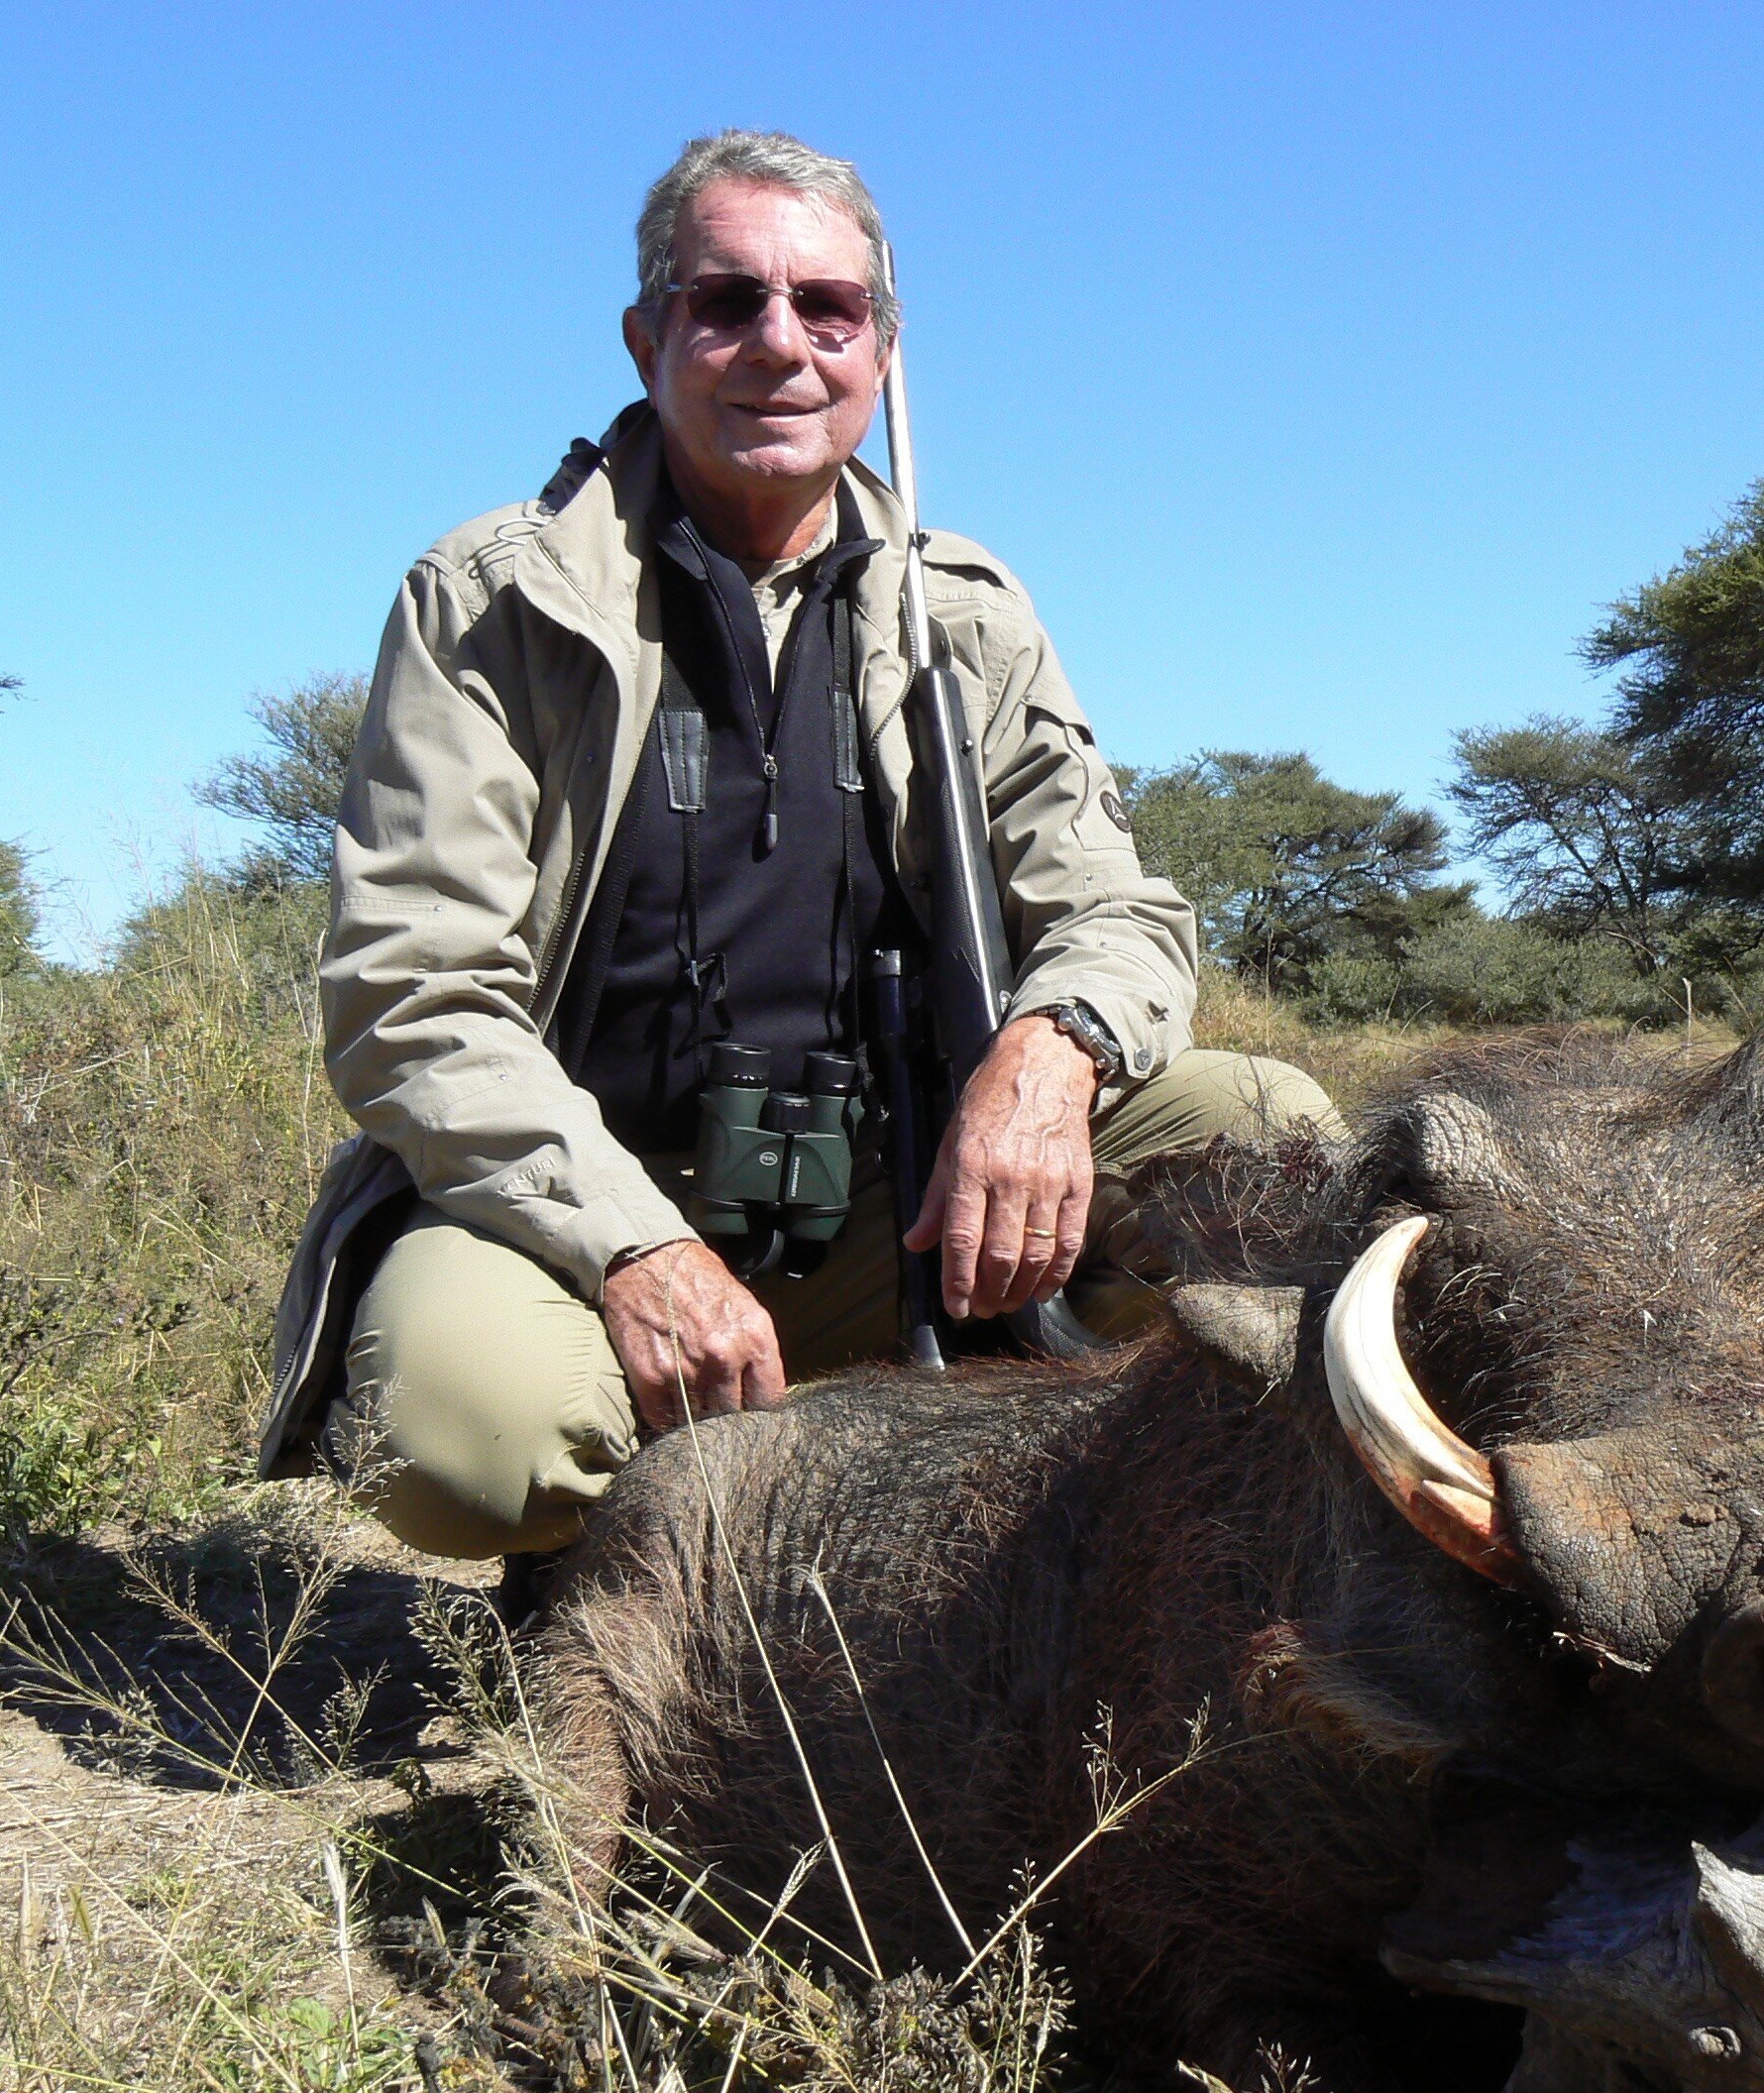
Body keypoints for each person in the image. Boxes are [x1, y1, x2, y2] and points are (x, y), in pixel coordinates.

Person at [253, 130, 1341, 1560]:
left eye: (829, 308)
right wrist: (637, 1246)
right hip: (585, 1221)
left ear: (882, 349)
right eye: (728, 302)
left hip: (911, 1203)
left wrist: (1048, 1056)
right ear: (650, 338)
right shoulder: (492, 599)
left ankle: (1116, 1545)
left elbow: (1120, 911)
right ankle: (615, 1551)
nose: (783, 344)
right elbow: (414, 994)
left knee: (1274, 1141)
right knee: (473, 1447)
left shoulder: (967, 608)